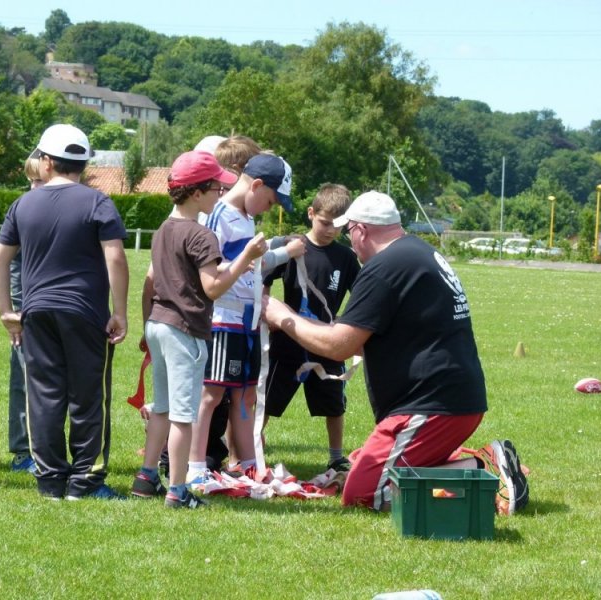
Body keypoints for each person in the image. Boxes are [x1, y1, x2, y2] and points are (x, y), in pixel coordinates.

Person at [262, 190, 529, 514]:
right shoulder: (417, 253)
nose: (349, 242)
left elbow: (340, 346)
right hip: (452, 401)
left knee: (363, 493)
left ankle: (481, 469)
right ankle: (479, 465)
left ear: (361, 230)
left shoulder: (384, 267)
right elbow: (360, 336)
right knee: (361, 465)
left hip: (429, 407)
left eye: (349, 232)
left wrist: (283, 316)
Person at [0, 124, 129, 501]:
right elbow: (116, 258)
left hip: (36, 312)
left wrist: (6, 311)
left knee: (44, 396)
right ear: (82, 164)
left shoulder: (23, 204)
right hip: (85, 313)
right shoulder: (98, 202)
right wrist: (120, 312)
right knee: (88, 397)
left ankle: (50, 481)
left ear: (47, 162)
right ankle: (85, 481)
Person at [132, 150, 268, 508]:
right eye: (215, 189)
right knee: (183, 415)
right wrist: (246, 256)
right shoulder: (202, 235)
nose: (220, 195)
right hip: (185, 332)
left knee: (162, 408)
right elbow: (213, 289)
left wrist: (145, 326)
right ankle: (177, 490)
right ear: (196, 193)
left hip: (158, 325)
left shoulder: (163, 230)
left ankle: (147, 476)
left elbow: (165, 277)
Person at [188, 153, 300, 485]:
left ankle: (250, 465)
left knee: (246, 394)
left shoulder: (246, 218)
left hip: (246, 320)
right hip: (222, 316)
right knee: (211, 394)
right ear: (256, 185)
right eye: (270, 200)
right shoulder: (218, 214)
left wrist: (278, 255)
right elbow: (207, 268)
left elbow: (250, 266)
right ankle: (195, 468)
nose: (268, 208)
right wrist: (249, 259)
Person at [262, 183, 360, 473]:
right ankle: (250, 449)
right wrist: (267, 313)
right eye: (325, 222)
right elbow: (263, 278)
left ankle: (336, 457)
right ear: (311, 213)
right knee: (266, 400)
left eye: (338, 226)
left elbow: (361, 295)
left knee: (334, 404)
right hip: (288, 339)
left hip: (327, 342)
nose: (331, 230)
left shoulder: (346, 257)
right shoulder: (293, 248)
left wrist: (345, 323)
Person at [7, 157, 43, 474]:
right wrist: (16, 312)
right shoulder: (22, 211)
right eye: (30, 181)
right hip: (26, 313)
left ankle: (47, 448)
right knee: (23, 379)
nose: (34, 187)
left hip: (55, 310)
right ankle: (22, 450)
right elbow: (12, 267)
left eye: (39, 181)